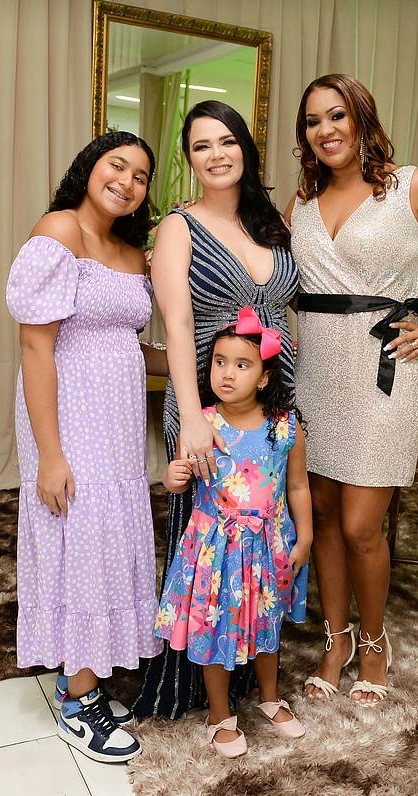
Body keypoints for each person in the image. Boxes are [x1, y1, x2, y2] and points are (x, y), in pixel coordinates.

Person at [285, 74, 418, 705]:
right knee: (324, 511)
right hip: (316, 371)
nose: (325, 130)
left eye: (337, 115)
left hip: (386, 370)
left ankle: (375, 643)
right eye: (312, 121)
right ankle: (336, 640)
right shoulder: (301, 203)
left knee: (360, 525)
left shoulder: (413, 186)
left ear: (362, 119)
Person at [5, 131, 169, 762]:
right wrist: (50, 453)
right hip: (67, 419)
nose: (127, 182)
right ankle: (79, 704)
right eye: (116, 166)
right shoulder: (61, 230)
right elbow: (35, 346)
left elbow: (124, 341)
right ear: (89, 168)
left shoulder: (131, 251)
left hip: (117, 426)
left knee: (105, 538)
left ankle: (84, 673)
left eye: (141, 176)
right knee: (80, 537)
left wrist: (209, 359)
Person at [134, 100, 299, 719]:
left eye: (226, 141)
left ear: (245, 149)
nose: (216, 155)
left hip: (275, 398)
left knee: (265, 532)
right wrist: (192, 420)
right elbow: (177, 326)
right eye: (200, 146)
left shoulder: (270, 224)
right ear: (189, 159)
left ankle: (258, 668)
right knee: (207, 544)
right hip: (209, 403)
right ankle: (195, 685)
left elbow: (286, 313)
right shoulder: (179, 227)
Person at [154, 308, 311, 757]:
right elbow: (177, 477)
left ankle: (269, 698)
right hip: (216, 551)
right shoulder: (201, 424)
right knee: (215, 628)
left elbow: (298, 485)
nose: (227, 373)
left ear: (264, 377)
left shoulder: (285, 426)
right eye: (220, 362)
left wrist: (306, 537)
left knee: (268, 625)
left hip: (268, 547)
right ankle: (219, 715)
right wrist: (173, 476)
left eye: (242, 365)